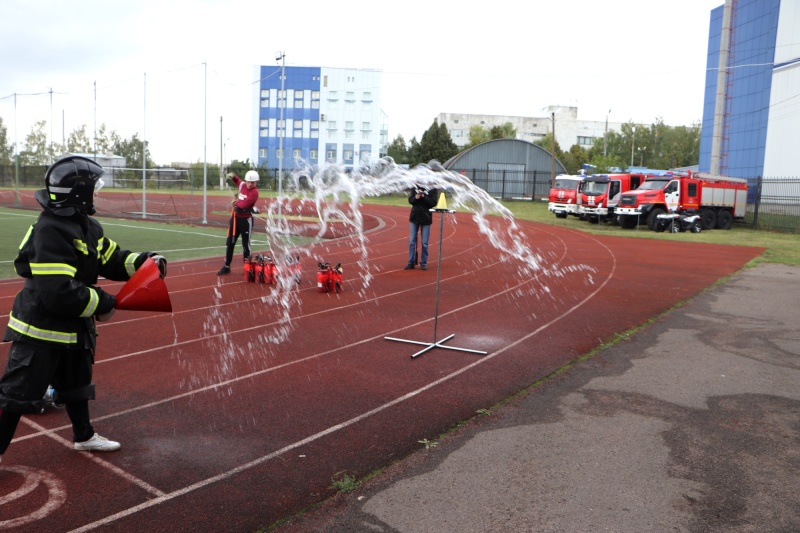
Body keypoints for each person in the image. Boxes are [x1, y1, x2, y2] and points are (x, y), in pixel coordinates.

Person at [0, 155, 167, 462]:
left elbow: (112, 258)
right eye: (94, 188)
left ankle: (84, 436)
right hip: (41, 331)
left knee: (76, 383)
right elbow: (57, 292)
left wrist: (146, 263)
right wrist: (105, 303)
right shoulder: (51, 229)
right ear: (79, 193)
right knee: (16, 395)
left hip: (72, 327)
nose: (97, 193)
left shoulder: (86, 226)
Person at [217, 170, 260, 275]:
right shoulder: (243, 185)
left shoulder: (254, 192)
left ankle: (247, 268)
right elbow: (238, 181)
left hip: (246, 221)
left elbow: (244, 204)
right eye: (248, 182)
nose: (250, 184)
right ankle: (227, 266)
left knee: (246, 245)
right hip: (235, 218)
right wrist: (233, 176)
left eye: (253, 182)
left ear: (256, 182)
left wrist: (236, 203)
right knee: (230, 243)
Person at [404, 186, 439, 270]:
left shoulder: (433, 189)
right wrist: (416, 197)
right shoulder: (415, 187)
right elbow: (410, 200)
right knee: (412, 241)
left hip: (426, 218)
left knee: (424, 243)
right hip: (414, 217)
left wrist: (424, 196)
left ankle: (423, 262)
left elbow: (433, 203)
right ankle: (411, 261)